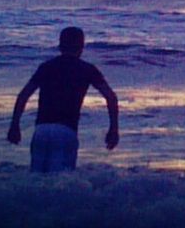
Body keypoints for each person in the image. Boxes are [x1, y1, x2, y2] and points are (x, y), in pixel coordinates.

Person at [7, 26, 119, 172]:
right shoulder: (87, 69)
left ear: (60, 45)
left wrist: (15, 125)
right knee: (60, 183)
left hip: (41, 130)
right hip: (66, 131)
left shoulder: (46, 67)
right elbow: (111, 97)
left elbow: (23, 96)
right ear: (82, 46)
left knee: (37, 181)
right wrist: (113, 129)